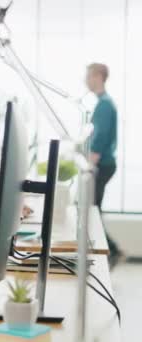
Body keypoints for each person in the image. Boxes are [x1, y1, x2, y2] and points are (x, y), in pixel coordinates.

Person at [85, 63, 122, 267]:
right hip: (105, 164)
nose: (86, 80)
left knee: (91, 210)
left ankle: (112, 250)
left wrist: (89, 166)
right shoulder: (103, 102)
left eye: (88, 76)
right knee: (93, 209)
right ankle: (112, 250)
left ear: (99, 76)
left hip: (103, 165)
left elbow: (99, 139)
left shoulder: (105, 104)